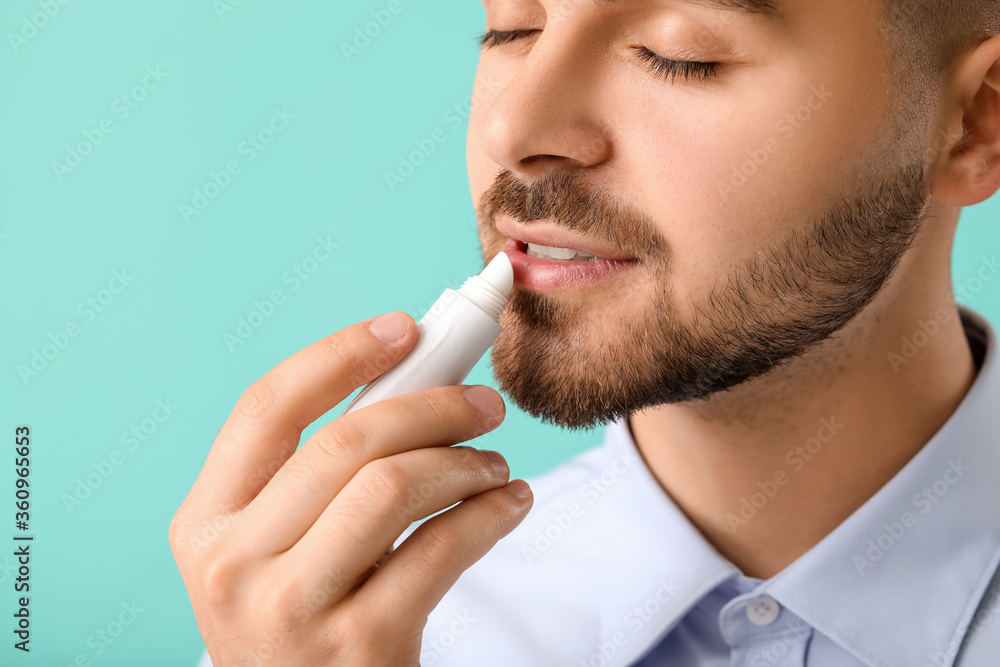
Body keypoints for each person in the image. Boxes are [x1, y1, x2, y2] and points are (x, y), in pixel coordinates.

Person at [171, 0, 1000, 664]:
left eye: (682, 54)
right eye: (514, 28)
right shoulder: (339, 638)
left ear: (973, 125)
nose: (515, 130)